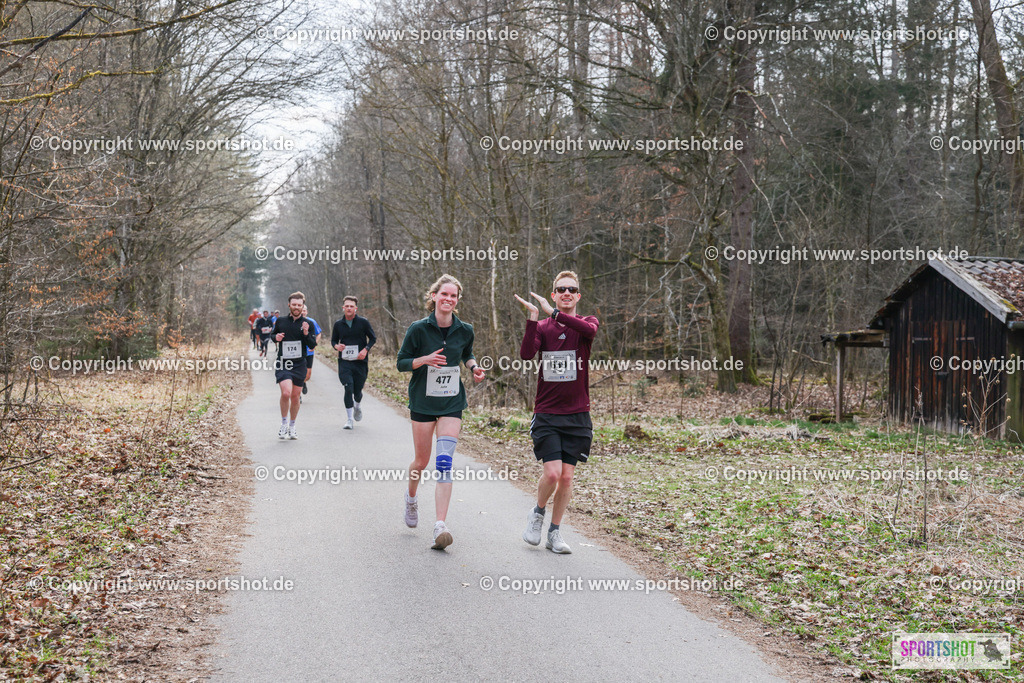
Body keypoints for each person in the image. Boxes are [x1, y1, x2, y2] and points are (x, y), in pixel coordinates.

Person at [397, 274, 485, 550]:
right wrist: (424, 360)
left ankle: (439, 526)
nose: (448, 299)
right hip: (422, 403)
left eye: (453, 296)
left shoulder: (465, 329)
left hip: (451, 403)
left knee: (444, 461)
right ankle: (411, 499)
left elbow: (467, 353)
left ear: (457, 301)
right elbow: (401, 363)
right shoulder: (418, 329)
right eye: (444, 294)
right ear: (434, 296)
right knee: (421, 462)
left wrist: (473, 368)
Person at [515, 270, 599, 554]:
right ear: (553, 294)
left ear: (578, 295)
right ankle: (537, 514)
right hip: (548, 413)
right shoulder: (543, 328)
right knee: (552, 474)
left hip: (577, 415)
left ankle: (555, 532)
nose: (566, 293)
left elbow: (590, 332)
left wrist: (554, 314)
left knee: (567, 478)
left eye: (571, 289)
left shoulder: (586, 323)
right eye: (561, 289)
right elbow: (527, 354)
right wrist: (532, 320)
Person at [272, 294, 318, 439]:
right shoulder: (281, 321)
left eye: (299, 305)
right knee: (286, 393)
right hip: (284, 362)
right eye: (294, 304)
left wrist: (306, 333)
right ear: (289, 305)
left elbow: (312, 344)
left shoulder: (307, 324)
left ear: (302, 306)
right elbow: (273, 335)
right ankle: (284, 423)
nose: (296, 307)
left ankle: (292, 425)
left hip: (299, 364)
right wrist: (276, 338)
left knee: (295, 396)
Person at [331, 296, 377, 430]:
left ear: (356, 308)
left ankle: (357, 405)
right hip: (344, 362)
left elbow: (373, 338)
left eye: (352, 306)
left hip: (360, 362)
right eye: (347, 306)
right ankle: (349, 419)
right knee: (348, 387)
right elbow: (333, 341)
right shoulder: (338, 324)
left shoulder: (363, 322)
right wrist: (336, 347)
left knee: (357, 391)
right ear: (343, 308)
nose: (349, 308)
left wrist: (366, 350)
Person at [301, 304, 322, 397]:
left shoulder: (311, 322)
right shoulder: (294, 322)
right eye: (301, 310)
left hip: (309, 351)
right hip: (298, 353)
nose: (302, 312)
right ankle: (298, 394)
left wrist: (314, 344)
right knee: (298, 372)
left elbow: (319, 334)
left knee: (308, 375)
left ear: (307, 312)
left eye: (304, 310)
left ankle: (303, 382)